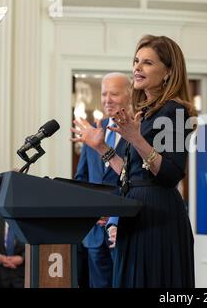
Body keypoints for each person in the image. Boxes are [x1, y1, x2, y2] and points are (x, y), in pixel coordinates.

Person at [71, 35, 196, 287]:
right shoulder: (145, 113)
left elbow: (171, 174)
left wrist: (136, 139)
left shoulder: (174, 110)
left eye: (147, 63)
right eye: (136, 61)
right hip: (135, 211)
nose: (137, 68)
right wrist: (102, 148)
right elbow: (132, 175)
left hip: (157, 216)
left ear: (168, 72)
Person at [74, 72, 132, 288]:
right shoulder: (93, 131)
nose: (107, 99)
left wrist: (115, 215)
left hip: (126, 231)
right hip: (94, 233)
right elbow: (81, 179)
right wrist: (91, 210)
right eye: (104, 94)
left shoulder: (138, 130)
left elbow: (137, 180)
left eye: (114, 94)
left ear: (129, 95)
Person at [0, 213, 25, 288]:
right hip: (0, 273)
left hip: (22, 272)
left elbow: (35, 238)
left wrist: (22, 258)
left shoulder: (27, 214)